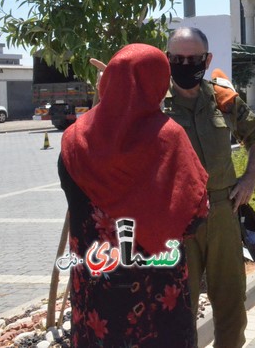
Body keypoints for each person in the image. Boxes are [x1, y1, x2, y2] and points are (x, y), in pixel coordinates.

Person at [59, 43, 209, 347]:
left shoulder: (74, 139)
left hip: (95, 286)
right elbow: (196, 215)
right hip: (156, 292)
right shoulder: (169, 138)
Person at [163, 27, 255, 348]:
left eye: (192, 58)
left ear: (206, 60)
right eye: (177, 58)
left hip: (224, 211)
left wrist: (249, 179)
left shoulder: (222, 98)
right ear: (167, 60)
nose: (184, 64)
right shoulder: (153, 103)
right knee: (178, 309)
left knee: (231, 304)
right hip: (175, 219)